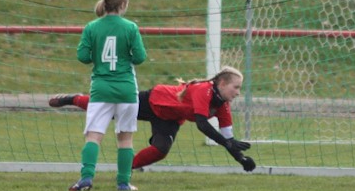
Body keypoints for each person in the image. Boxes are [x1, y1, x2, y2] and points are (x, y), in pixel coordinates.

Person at [50, 65, 256, 175]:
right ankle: (73, 99)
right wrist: (228, 143)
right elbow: (202, 124)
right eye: (235, 87)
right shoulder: (205, 90)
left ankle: (125, 170)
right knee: (109, 110)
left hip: (171, 118)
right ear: (221, 83)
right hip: (155, 101)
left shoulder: (223, 106)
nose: (238, 92)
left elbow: (229, 138)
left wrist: (241, 159)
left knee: (161, 149)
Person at [66, 0, 147, 191]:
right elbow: (139, 57)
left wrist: (98, 56)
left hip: (101, 88)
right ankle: (123, 182)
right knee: (125, 137)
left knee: (93, 135)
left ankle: (86, 178)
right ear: (123, 4)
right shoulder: (130, 27)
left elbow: (82, 56)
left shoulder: (92, 27)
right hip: (127, 89)